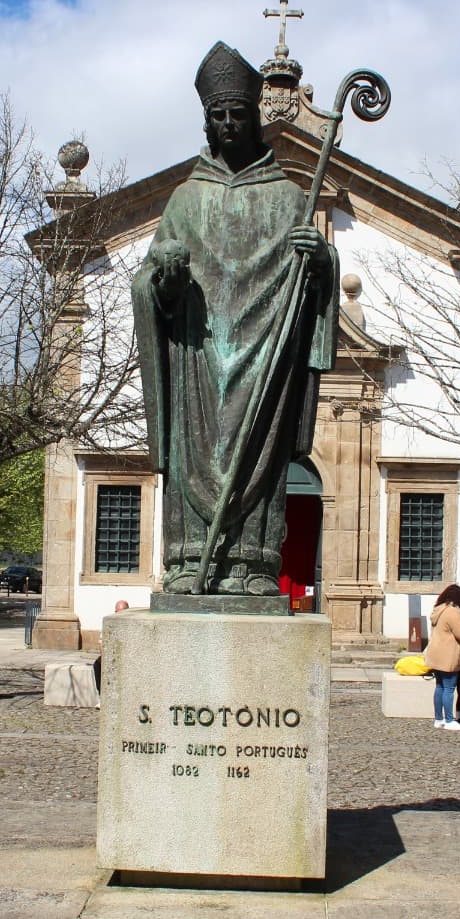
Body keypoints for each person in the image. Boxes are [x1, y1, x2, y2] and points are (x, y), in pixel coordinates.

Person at [131, 40, 337, 601]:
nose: (226, 125)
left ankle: (254, 565)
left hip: (265, 356)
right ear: (207, 121)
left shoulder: (290, 197)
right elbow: (149, 280)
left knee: (259, 456)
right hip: (198, 357)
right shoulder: (185, 197)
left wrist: (321, 261)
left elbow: (314, 277)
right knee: (197, 452)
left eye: (237, 115)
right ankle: (188, 561)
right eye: (217, 116)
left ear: (254, 120)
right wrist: (165, 278)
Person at [427, 584, 460, 731]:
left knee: (440, 686)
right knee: (449, 688)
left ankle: (438, 718)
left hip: (436, 653)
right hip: (448, 654)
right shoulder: (452, 612)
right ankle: (449, 720)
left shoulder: (439, 609)